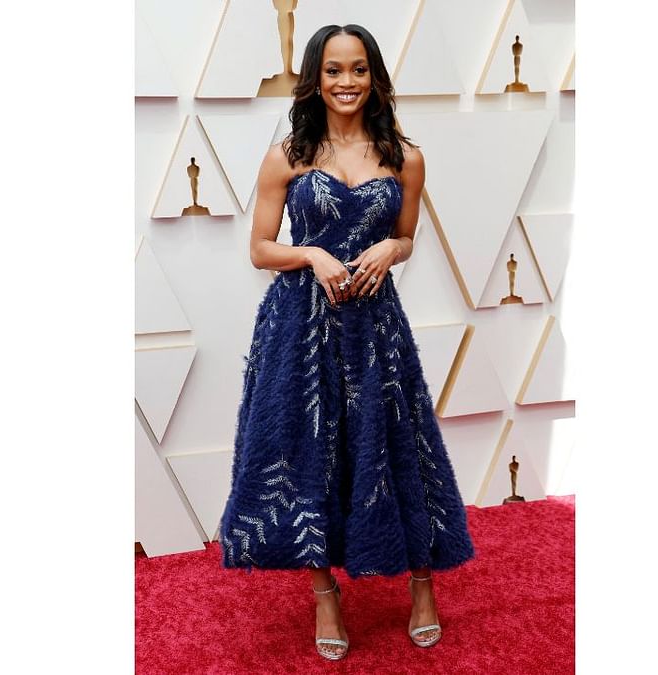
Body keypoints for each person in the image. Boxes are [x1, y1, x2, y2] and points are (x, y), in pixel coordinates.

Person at [218, 23, 475, 662]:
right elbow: (259, 249)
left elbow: (408, 237)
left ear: (374, 76)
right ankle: (325, 594)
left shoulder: (404, 158)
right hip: (299, 327)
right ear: (316, 78)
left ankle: (422, 588)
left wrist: (392, 246)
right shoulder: (288, 155)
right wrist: (311, 254)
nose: (346, 83)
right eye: (333, 70)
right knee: (305, 454)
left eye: (358, 69)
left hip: (374, 328)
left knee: (399, 446)